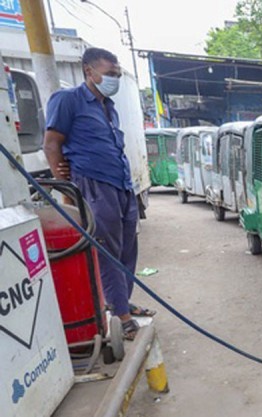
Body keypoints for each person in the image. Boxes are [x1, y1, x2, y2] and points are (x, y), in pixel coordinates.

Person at [43, 47, 154, 340]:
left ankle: (121, 301)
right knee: (106, 249)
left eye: (117, 74)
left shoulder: (108, 106)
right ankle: (121, 316)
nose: (114, 79)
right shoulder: (68, 100)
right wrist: (62, 179)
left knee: (128, 247)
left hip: (121, 184)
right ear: (89, 72)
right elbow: (52, 142)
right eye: (109, 74)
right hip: (93, 184)